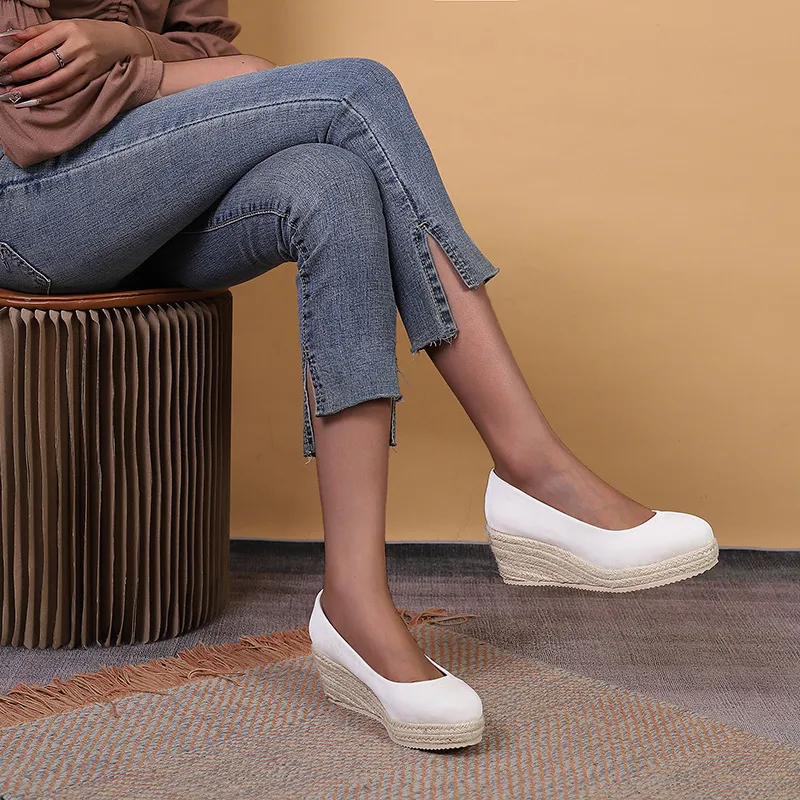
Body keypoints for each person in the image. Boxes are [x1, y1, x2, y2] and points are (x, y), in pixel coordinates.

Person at [0, 0, 718, 750]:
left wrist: (119, 45)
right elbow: (33, 108)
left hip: (155, 203)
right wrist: (151, 64)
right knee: (357, 89)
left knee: (334, 183)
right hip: (31, 206)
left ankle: (355, 601)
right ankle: (533, 469)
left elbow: (210, 51)